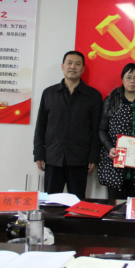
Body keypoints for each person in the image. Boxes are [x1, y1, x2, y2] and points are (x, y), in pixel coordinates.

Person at [33, 51, 102, 200]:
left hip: (79, 159)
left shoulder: (93, 96)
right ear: (62, 66)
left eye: (77, 64)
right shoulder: (49, 93)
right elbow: (40, 126)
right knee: (50, 203)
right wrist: (39, 153)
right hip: (53, 157)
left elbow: (96, 130)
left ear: (83, 69)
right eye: (69, 63)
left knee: (77, 203)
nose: (73, 67)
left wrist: (93, 156)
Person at [98, 63, 135, 199]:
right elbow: (102, 129)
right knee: (115, 205)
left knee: (134, 204)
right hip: (116, 160)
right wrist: (110, 148)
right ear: (122, 79)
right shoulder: (111, 101)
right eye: (128, 77)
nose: (132, 81)